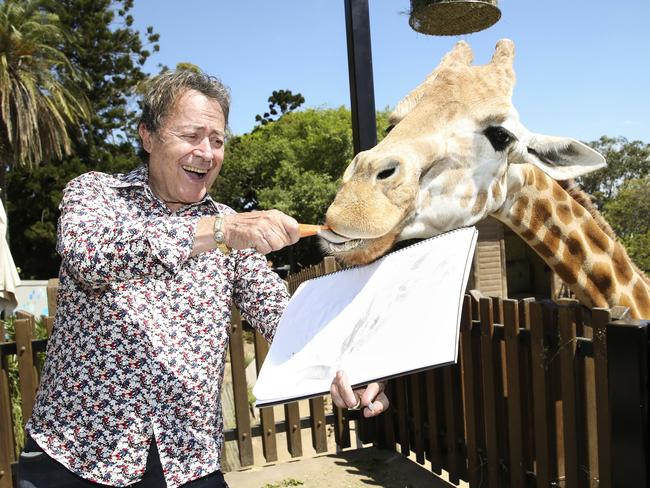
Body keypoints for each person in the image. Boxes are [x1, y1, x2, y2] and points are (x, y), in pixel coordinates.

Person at [18, 69, 388, 488]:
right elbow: (89, 256)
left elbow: (283, 316)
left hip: (187, 463)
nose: (207, 152)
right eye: (192, 135)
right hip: (75, 457)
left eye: (217, 140)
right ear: (148, 136)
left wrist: (350, 365)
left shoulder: (231, 223)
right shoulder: (96, 194)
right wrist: (216, 233)